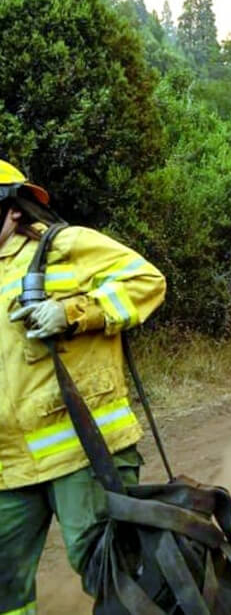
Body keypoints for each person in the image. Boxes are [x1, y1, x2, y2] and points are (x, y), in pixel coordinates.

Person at [0, 159, 166, 611]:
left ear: (13, 208)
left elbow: (148, 282)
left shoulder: (64, 246)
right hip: (8, 466)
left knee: (112, 571)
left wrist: (74, 312)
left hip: (81, 449)